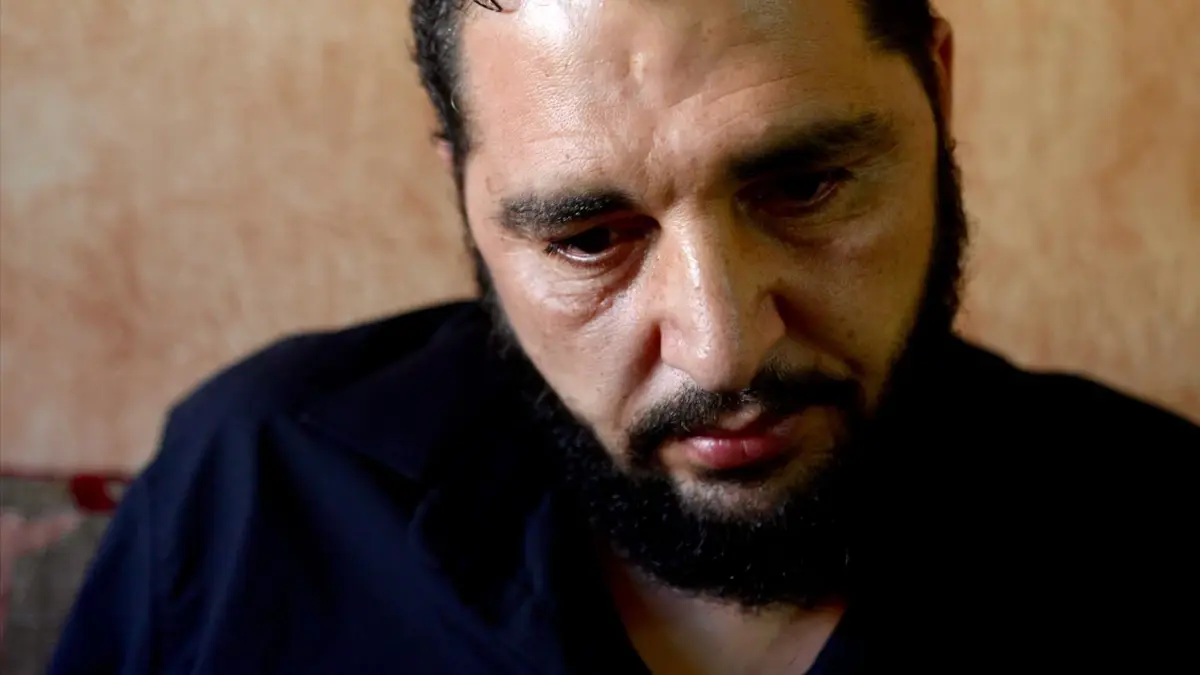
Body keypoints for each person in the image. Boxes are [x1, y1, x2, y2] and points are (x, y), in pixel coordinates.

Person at [51, 1, 1198, 672]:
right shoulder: (254, 496)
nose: (721, 350)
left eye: (805, 186)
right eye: (589, 239)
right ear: (464, 197)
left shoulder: (1161, 532)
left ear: (937, 97)